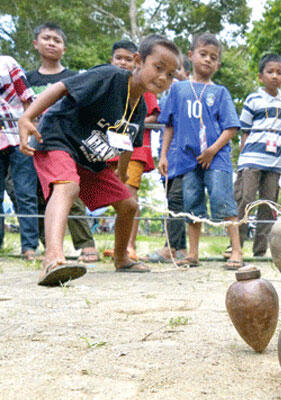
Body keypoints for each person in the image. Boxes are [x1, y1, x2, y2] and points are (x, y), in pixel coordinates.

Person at [18, 34, 181, 286]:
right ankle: (52, 259)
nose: (162, 78)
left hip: (90, 158)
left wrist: (122, 174)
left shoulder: (139, 107)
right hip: (58, 139)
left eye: (170, 74)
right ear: (138, 61)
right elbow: (61, 87)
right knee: (67, 186)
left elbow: (128, 143)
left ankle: (121, 258)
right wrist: (27, 117)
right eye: (158, 68)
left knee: (129, 205)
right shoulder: (111, 76)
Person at [158, 32, 243, 270]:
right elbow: (169, 125)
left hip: (216, 158)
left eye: (213, 57)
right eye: (203, 54)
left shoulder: (221, 92)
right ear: (191, 55)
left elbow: (231, 127)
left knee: (222, 199)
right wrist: (164, 155)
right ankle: (193, 253)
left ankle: (236, 249)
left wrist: (213, 151)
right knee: (191, 203)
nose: (207, 60)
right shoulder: (178, 90)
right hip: (187, 159)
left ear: (218, 63)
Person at [25, 22, 99, 264]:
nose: (51, 43)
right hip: (35, 143)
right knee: (36, 193)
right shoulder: (27, 79)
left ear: (64, 48)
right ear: (36, 44)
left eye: (57, 40)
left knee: (70, 191)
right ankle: (50, 246)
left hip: (65, 144)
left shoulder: (73, 78)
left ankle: (86, 243)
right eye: (46, 38)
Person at [234, 53, 281, 257]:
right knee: (246, 200)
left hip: (275, 162)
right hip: (251, 159)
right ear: (261, 76)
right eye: (270, 72)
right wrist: (242, 161)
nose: (275, 76)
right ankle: (236, 245)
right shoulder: (253, 99)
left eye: (279, 72)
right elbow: (244, 129)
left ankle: (260, 250)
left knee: (269, 205)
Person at [106, 39, 160, 261]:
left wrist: (129, 123)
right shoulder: (107, 82)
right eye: (119, 58)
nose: (123, 62)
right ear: (111, 60)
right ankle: (117, 245)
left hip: (135, 148)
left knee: (129, 194)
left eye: (129, 59)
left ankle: (129, 246)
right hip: (106, 147)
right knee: (111, 195)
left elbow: (154, 114)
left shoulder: (142, 84)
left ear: (137, 61)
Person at [143, 55, 192, 263]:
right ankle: (178, 247)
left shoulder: (189, 94)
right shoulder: (166, 96)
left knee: (176, 199)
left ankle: (172, 247)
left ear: (188, 74)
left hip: (185, 157)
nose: (173, 75)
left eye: (177, 71)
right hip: (168, 157)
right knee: (172, 200)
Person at [0, 56, 39, 260]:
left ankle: (29, 247)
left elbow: (27, 97)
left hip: (17, 135)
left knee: (25, 192)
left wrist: (29, 132)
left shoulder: (7, 63)